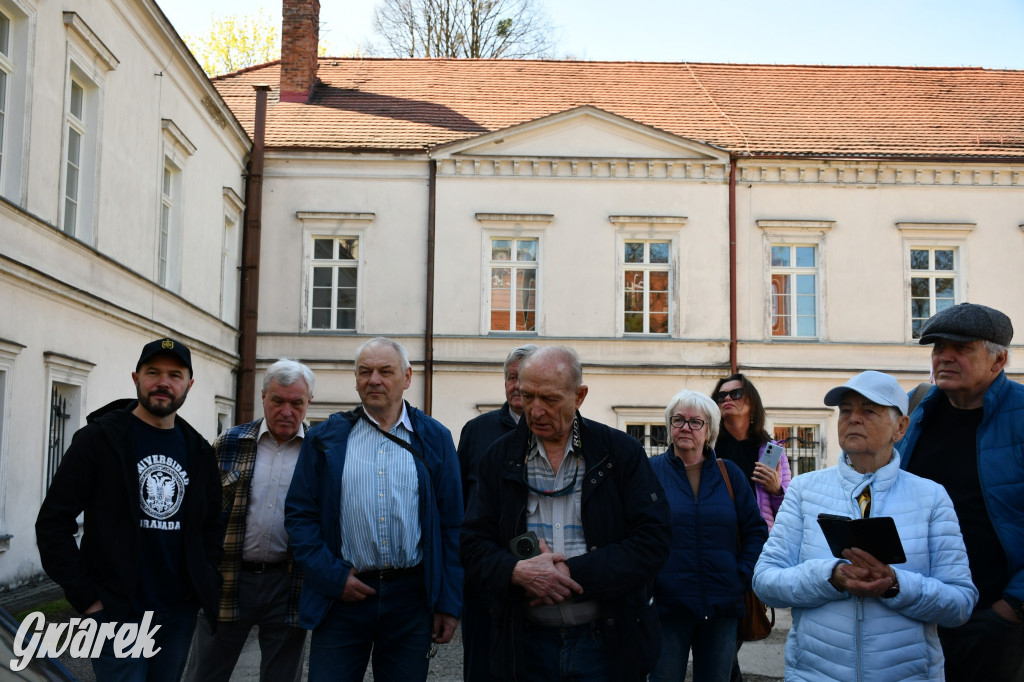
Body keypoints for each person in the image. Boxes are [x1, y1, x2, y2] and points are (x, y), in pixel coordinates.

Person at [460, 345, 671, 682]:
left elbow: (652, 541)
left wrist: (570, 573)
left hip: (605, 644)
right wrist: (518, 571)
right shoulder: (498, 458)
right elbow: (473, 543)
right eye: (527, 396)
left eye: (550, 399)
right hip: (524, 646)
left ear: (580, 396)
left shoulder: (619, 453)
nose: (536, 410)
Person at [753, 370, 978, 681]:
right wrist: (831, 576)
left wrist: (896, 583)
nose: (853, 418)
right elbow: (765, 581)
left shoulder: (931, 497)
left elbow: (960, 603)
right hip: (816, 675)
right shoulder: (805, 491)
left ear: (900, 427)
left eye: (869, 410)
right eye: (846, 410)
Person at [35, 337, 222, 682]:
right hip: (116, 611)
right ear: (136, 378)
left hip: (176, 613)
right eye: (153, 372)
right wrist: (88, 599)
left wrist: (200, 585)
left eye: (175, 375)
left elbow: (211, 526)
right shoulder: (99, 440)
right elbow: (52, 523)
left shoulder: (199, 451)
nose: (163, 382)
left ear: (189, 385)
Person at [284, 337, 463, 682]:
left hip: (411, 599)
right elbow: (300, 516)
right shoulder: (326, 438)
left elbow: (452, 524)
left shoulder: (434, 438)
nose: (374, 380)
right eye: (365, 372)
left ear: (407, 377)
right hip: (342, 598)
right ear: (356, 379)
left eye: (385, 371)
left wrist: (448, 602)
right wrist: (332, 577)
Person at [896, 302, 1024, 681]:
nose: (944, 358)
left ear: (998, 360)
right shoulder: (917, 409)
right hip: (918, 610)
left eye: (961, 349)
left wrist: (1012, 606)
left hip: (994, 619)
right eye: (938, 348)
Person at [186, 359, 315, 682]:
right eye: (278, 400)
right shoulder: (230, 442)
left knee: (282, 677)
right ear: (263, 398)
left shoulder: (320, 452)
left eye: (296, 403)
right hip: (229, 578)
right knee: (205, 673)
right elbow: (199, 514)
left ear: (308, 403)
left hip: (290, 582)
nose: (286, 410)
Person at [648, 390, 768, 682]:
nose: (685, 427)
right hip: (666, 609)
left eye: (695, 422)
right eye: (678, 420)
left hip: (721, 607)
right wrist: (649, 584)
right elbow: (635, 532)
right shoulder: (649, 472)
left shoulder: (730, 474)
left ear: (710, 429)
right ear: (669, 426)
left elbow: (755, 531)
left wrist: (739, 577)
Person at [456, 344, 535, 682]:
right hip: (486, 581)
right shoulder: (477, 431)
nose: (517, 386)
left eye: (525, 378)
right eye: (511, 378)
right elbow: (459, 503)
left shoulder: (563, 430)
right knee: (484, 669)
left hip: (540, 578)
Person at [710, 373, 791, 682]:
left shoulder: (771, 451)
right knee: (722, 631)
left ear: (752, 404)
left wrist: (775, 490)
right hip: (714, 546)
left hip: (752, 551)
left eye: (736, 394)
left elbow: (788, 512)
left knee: (733, 628)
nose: (727, 399)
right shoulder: (709, 447)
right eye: (721, 396)